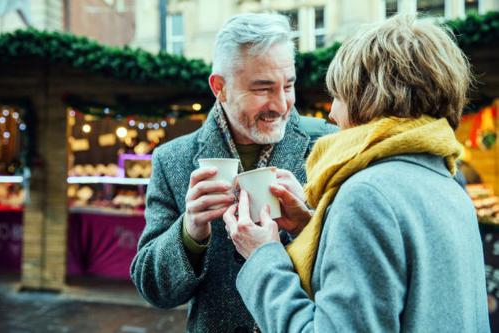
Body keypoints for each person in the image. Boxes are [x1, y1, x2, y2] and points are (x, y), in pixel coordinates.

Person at [224, 14, 490, 332]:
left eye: (338, 95)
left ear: (368, 99)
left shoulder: (367, 195)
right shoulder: (447, 185)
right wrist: (309, 227)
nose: (332, 113)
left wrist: (262, 257)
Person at [130, 13, 337, 333]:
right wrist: (190, 231)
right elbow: (153, 290)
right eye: (263, 88)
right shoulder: (173, 159)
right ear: (220, 87)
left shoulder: (326, 145)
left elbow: (353, 272)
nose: (281, 104)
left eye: (289, 85)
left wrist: (305, 227)